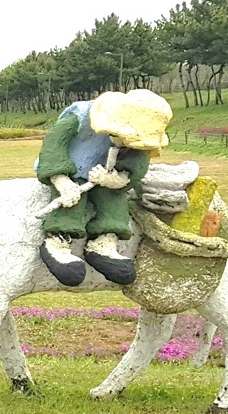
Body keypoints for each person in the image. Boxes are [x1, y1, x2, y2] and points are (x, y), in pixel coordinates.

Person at [34, 89, 171, 287]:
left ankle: (104, 244)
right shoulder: (79, 116)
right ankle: (57, 242)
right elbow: (53, 146)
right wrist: (61, 180)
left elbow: (138, 162)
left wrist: (119, 179)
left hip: (104, 175)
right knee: (74, 200)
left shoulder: (138, 140)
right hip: (71, 171)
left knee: (114, 199)